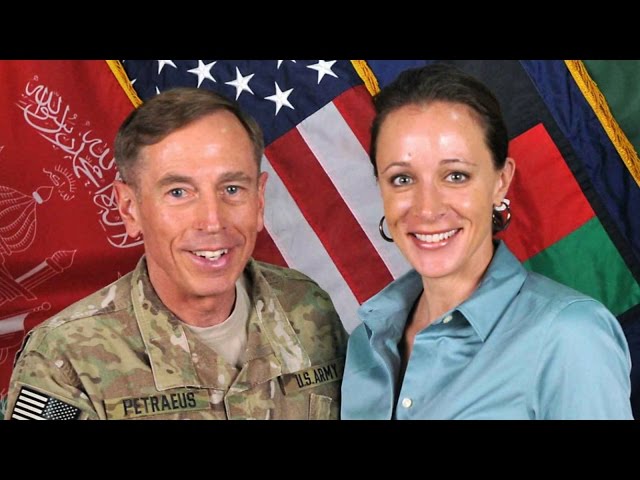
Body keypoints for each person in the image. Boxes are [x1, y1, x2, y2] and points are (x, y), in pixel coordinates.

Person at [5, 88, 348, 420]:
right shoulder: (65, 359)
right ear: (129, 208)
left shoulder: (308, 309)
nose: (212, 221)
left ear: (259, 200)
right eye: (179, 192)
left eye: (232, 189)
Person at [340, 64, 633, 419]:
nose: (427, 208)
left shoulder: (569, 335)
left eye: (456, 175)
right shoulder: (366, 343)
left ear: (500, 181)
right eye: (402, 179)